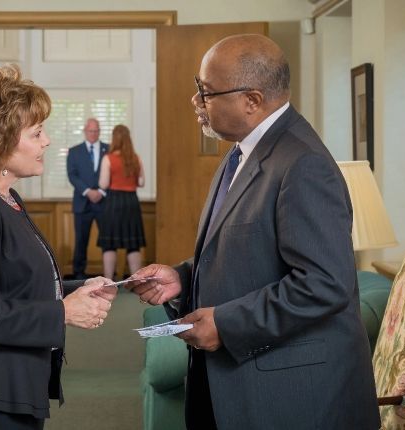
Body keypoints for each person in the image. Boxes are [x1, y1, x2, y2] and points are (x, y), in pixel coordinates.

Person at [127, 34, 380, 429]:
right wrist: (181, 277)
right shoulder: (242, 152)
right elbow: (250, 253)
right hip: (241, 384)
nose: (196, 102)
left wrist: (228, 324)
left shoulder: (302, 163)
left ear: (252, 100)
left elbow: (324, 283)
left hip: (292, 396)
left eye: (206, 92)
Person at [0, 65, 117, 430]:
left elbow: (12, 281)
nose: (47, 142)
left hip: (6, 384)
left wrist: (78, 289)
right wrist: (62, 312)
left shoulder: (1, 196)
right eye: (37, 132)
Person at [97, 124, 146, 280]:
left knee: (109, 244)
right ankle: (136, 282)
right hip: (131, 202)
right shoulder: (136, 158)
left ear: (114, 139)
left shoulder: (108, 158)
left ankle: (109, 281)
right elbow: (141, 182)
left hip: (113, 202)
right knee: (133, 244)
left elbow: (103, 184)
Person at [66, 118, 109, 279]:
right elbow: (72, 175)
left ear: (99, 131)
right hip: (82, 204)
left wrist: (101, 192)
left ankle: (108, 275)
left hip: (104, 203)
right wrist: (87, 191)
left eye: (96, 130)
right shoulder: (74, 151)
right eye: (90, 130)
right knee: (81, 241)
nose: (93, 133)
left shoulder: (109, 149)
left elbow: (113, 175)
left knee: (107, 241)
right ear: (85, 131)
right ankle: (79, 274)